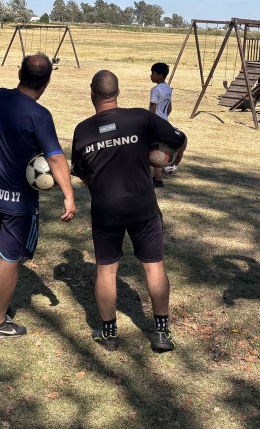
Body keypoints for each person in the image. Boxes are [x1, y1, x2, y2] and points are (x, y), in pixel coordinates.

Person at [71, 70, 187, 353]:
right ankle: (161, 333)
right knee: (153, 266)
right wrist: (174, 157)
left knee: (107, 270)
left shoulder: (82, 130)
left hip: (105, 209)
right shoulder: (140, 117)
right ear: (118, 92)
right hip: (143, 207)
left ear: (92, 93)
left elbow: (83, 175)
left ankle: (109, 334)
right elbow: (179, 139)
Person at [0, 53, 75, 340]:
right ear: (48, 81)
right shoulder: (40, 116)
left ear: (19, 72)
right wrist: (68, 195)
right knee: (10, 257)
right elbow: (55, 159)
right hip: (16, 202)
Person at [148, 62, 175, 185]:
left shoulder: (155, 90)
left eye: (153, 73)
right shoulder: (168, 88)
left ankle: (158, 179)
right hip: (165, 122)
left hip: (156, 123)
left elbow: (152, 109)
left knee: (155, 150)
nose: (150, 76)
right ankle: (163, 171)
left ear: (159, 75)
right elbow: (169, 108)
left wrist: (149, 122)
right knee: (162, 148)